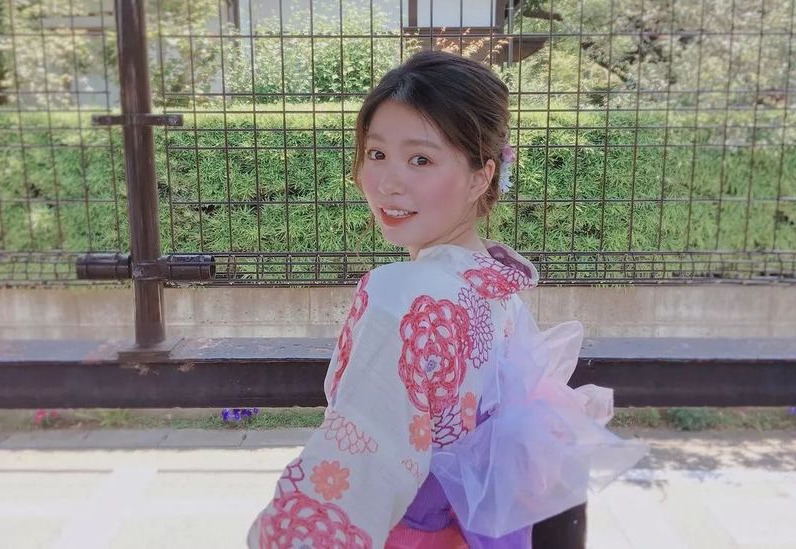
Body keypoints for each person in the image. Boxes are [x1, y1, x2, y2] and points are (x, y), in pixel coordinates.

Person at [246, 50, 650, 549]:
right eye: (376, 154)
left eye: (420, 159)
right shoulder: (496, 285)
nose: (387, 183)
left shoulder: (404, 297)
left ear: (481, 176)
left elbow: (363, 461)